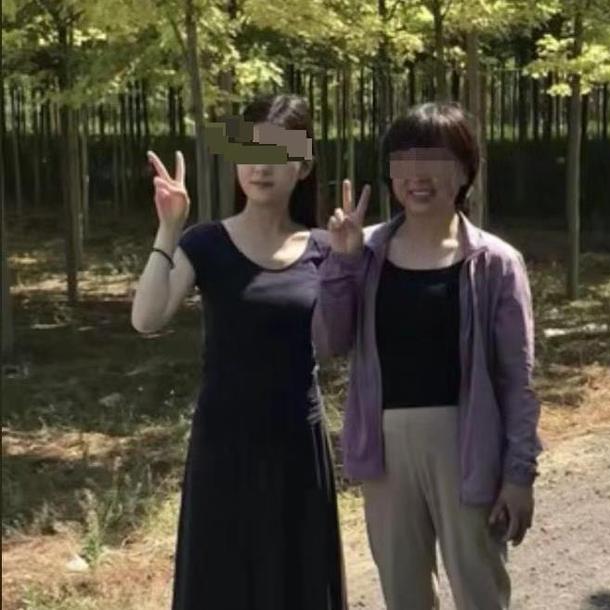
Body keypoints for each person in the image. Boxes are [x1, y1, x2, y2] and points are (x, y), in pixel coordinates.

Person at [312, 101, 542, 610]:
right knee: (403, 592)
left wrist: (519, 473)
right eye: (404, 160)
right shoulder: (364, 250)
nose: (418, 175)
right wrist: (342, 263)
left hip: (468, 442)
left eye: (435, 160)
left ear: (464, 171)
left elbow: (517, 379)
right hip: (385, 447)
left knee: (480, 589)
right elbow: (329, 342)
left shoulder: (496, 262)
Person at [131, 94, 346, 610]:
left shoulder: (324, 248)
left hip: (297, 448)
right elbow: (147, 318)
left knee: (297, 586)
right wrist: (169, 226)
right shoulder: (206, 243)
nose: (260, 167)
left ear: (303, 164)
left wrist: (351, 259)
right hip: (223, 448)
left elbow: (339, 343)